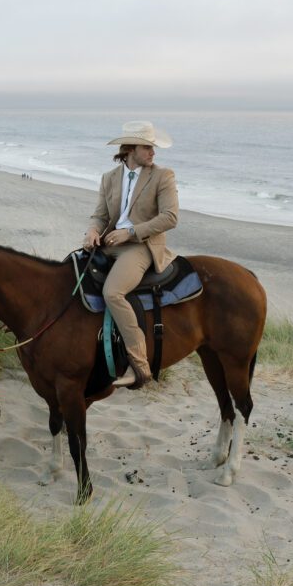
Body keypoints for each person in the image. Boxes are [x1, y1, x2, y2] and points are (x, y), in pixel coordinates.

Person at [83, 120, 178, 388]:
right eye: (147, 146)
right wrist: (91, 232)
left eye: (153, 147)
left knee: (113, 293)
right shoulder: (109, 178)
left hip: (141, 245)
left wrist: (132, 232)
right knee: (69, 272)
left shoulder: (163, 175)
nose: (153, 152)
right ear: (130, 149)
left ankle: (140, 366)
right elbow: (100, 216)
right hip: (108, 241)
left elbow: (170, 217)